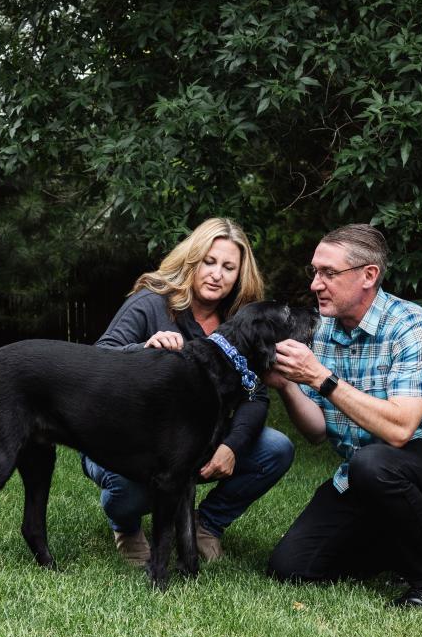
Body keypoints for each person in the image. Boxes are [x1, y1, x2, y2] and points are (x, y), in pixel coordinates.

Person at [265, 223, 422, 609]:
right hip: (365, 477)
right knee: (292, 567)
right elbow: (317, 430)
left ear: (369, 275)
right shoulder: (324, 330)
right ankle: (397, 546)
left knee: (374, 462)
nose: (316, 284)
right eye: (315, 272)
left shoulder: (413, 327)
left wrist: (320, 376)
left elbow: (400, 429)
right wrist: (287, 385)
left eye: (329, 273)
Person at [83, 218, 295, 566]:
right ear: (191, 260)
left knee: (275, 448)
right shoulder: (151, 303)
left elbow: (254, 395)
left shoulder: (241, 319)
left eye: (229, 267)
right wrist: (144, 348)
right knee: (136, 483)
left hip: (193, 439)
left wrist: (231, 446)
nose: (217, 274)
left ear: (240, 275)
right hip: (124, 435)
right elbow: (97, 359)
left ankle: (206, 523)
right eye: (209, 262)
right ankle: (125, 524)